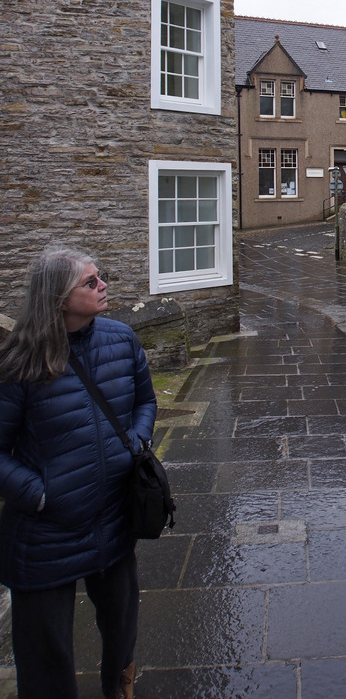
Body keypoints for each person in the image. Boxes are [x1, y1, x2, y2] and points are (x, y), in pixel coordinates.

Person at [0, 245, 157, 699]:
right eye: (90, 282)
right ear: (57, 297)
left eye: (100, 276)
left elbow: (145, 401)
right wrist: (39, 494)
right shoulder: (20, 362)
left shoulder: (121, 340)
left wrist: (137, 443)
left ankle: (119, 688)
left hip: (113, 517)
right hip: (46, 535)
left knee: (121, 625)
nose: (103, 285)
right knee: (46, 651)